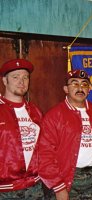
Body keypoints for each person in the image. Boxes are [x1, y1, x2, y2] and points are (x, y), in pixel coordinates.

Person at [38, 69, 92, 200]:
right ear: (66, 89)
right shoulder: (54, 116)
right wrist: (59, 187)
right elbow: (45, 155)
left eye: (84, 84)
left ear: (89, 89)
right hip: (67, 179)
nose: (80, 88)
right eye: (74, 84)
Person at [0, 59, 44, 199]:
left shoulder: (35, 111)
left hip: (35, 187)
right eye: (15, 77)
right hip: (5, 191)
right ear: (4, 81)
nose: (22, 81)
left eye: (25, 77)